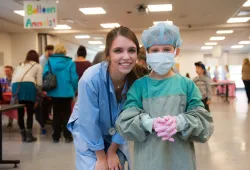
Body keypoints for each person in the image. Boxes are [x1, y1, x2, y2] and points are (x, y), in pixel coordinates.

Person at [116, 23, 214, 170]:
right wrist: (149, 123)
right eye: (155, 50)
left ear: (176, 51)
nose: (160, 53)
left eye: (166, 49)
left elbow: (204, 125)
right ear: (147, 53)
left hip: (181, 160)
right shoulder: (140, 87)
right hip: (149, 161)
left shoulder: (186, 85)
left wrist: (181, 122)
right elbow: (125, 122)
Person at [67, 26, 147, 170]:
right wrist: (101, 157)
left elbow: (127, 120)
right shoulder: (90, 79)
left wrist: (112, 150)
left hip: (116, 134)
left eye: (131, 50)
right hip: (88, 133)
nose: (126, 56)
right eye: (118, 50)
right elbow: (88, 122)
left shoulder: (136, 81)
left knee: (118, 165)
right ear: (108, 54)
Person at [43, 44, 78, 143]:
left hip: (54, 92)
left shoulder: (49, 61)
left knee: (56, 113)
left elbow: (45, 75)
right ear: (64, 52)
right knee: (67, 113)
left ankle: (56, 136)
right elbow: (74, 78)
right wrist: (74, 88)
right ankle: (67, 136)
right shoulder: (70, 62)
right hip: (67, 92)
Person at [12, 50, 42, 142]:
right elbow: (39, 82)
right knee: (29, 112)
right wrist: (39, 93)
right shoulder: (37, 66)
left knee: (20, 113)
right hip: (28, 86)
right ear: (36, 58)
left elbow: (13, 78)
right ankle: (29, 136)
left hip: (16, 86)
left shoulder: (20, 64)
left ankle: (23, 136)